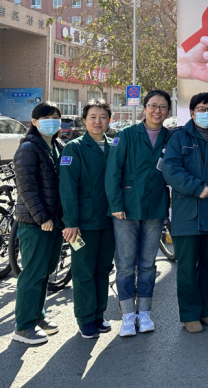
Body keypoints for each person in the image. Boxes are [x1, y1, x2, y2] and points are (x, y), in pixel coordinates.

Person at [163, 92, 208, 334]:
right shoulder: (178, 137)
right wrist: (197, 188)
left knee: (207, 265)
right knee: (186, 267)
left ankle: (207, 311)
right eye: (201, 109)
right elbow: (170, 169)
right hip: (187, 212)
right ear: (192, 112)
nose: (206, 113)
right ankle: (189, 315)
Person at [105, 90, 173, 338]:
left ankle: (144, 312)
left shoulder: (171, 137)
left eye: (163, 107)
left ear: (168, 111)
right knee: (125, 265)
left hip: (155, 208)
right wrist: (116, 204)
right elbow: (113, 171)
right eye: (153, 105)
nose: (157, 111)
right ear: (145, 108)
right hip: (126, 209)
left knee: (147, 264)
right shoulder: (125, 135)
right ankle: (127, 315)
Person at [59, 99, 115, 339]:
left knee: (103, 269)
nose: (97, 121)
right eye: (92, 117)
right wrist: (70, 222)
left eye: (102, 117)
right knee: (83, 271)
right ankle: (85, 318)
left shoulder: (115, 146)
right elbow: (67, 187)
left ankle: (98, 314)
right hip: (82, 224)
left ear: (110, 120)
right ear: (84, 120)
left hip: (109, 221)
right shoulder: (74, 148)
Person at [11, 102, 66, 346]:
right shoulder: (28, 148)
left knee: (45, 271)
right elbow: (27, 188)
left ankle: (38, 316)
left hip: (55, 221)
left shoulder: (57, 146)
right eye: (46, 118)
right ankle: (24, 326)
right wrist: (42, 217)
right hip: (37, 222)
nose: (51, 122)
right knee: (32, 273)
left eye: (55, 117)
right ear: (34, 122)